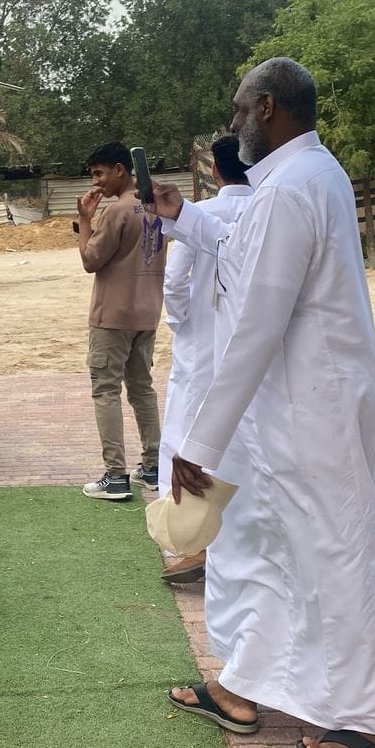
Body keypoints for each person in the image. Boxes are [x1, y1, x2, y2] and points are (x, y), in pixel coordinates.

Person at [152, 58, 375, 748]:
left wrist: (198, 443)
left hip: (311, 409)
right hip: (301, 406)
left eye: (240, 109)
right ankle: (242, 688)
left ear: (267, 107)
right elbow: (246, 256)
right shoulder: (305, 177)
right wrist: (185, 219)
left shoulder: (291, 188)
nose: (233, 123)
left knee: (335, 554)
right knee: (272, 546)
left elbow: (255, 326)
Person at [156, 135, 252, 584]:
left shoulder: (200, 213)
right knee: (244, 430)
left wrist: (183, 323)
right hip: (250, 339)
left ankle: (187, 541)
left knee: (185, 430)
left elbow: (175, 281)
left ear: (214, 171)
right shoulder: (265, 212)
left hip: (200, 340)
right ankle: (240, 537)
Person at [75, 141, 166, 501]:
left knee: (106, 391)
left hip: (112, 317)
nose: (95, 182)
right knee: (142, 389)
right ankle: (153, 467)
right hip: (147, 313)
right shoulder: (155, 206)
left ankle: (115, 475)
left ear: (119, 169)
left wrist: (85, 219)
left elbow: (90, 260)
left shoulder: (117, 211)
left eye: (99, 173)